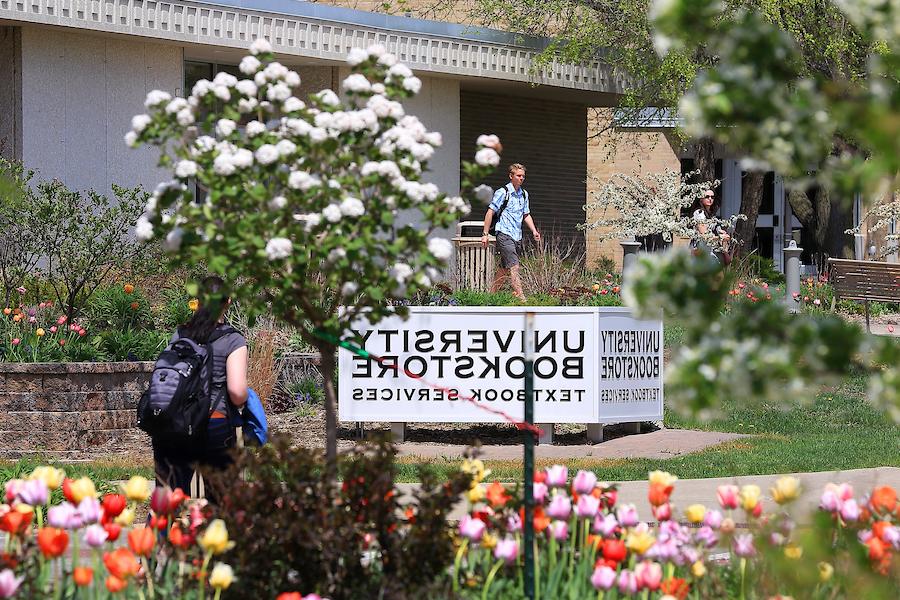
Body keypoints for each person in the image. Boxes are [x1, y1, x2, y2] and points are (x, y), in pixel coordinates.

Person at [152, 275, 248, 497]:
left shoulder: (180, 334)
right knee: (220, 501)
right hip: (213, 424)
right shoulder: (233, 339)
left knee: (167, 500)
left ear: (199, 300)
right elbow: (236, 392)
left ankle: (157, 533)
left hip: (174, 424)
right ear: (228, 302)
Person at [480, 163, 541, 300]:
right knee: (514, 266)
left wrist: (534, 231)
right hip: (504, 233)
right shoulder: (503, 192)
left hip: (517, 236)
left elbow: (526, 214)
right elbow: (490, 212)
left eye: (523, 176)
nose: (521, 178)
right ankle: (523, 300)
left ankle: (490, 297)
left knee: (504, 269)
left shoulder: (524, 194)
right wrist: (485, 234)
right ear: (511, 176)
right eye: (519, 176)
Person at [692, 189, 732, 264]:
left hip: (711, 251)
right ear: (701, 199)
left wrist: (724, 234)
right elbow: (704, 236)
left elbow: (718, 230)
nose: (710, 199)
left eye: (712, 197)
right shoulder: (699, 213)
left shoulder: (712, 215)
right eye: (707, 197)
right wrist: (720, 238)